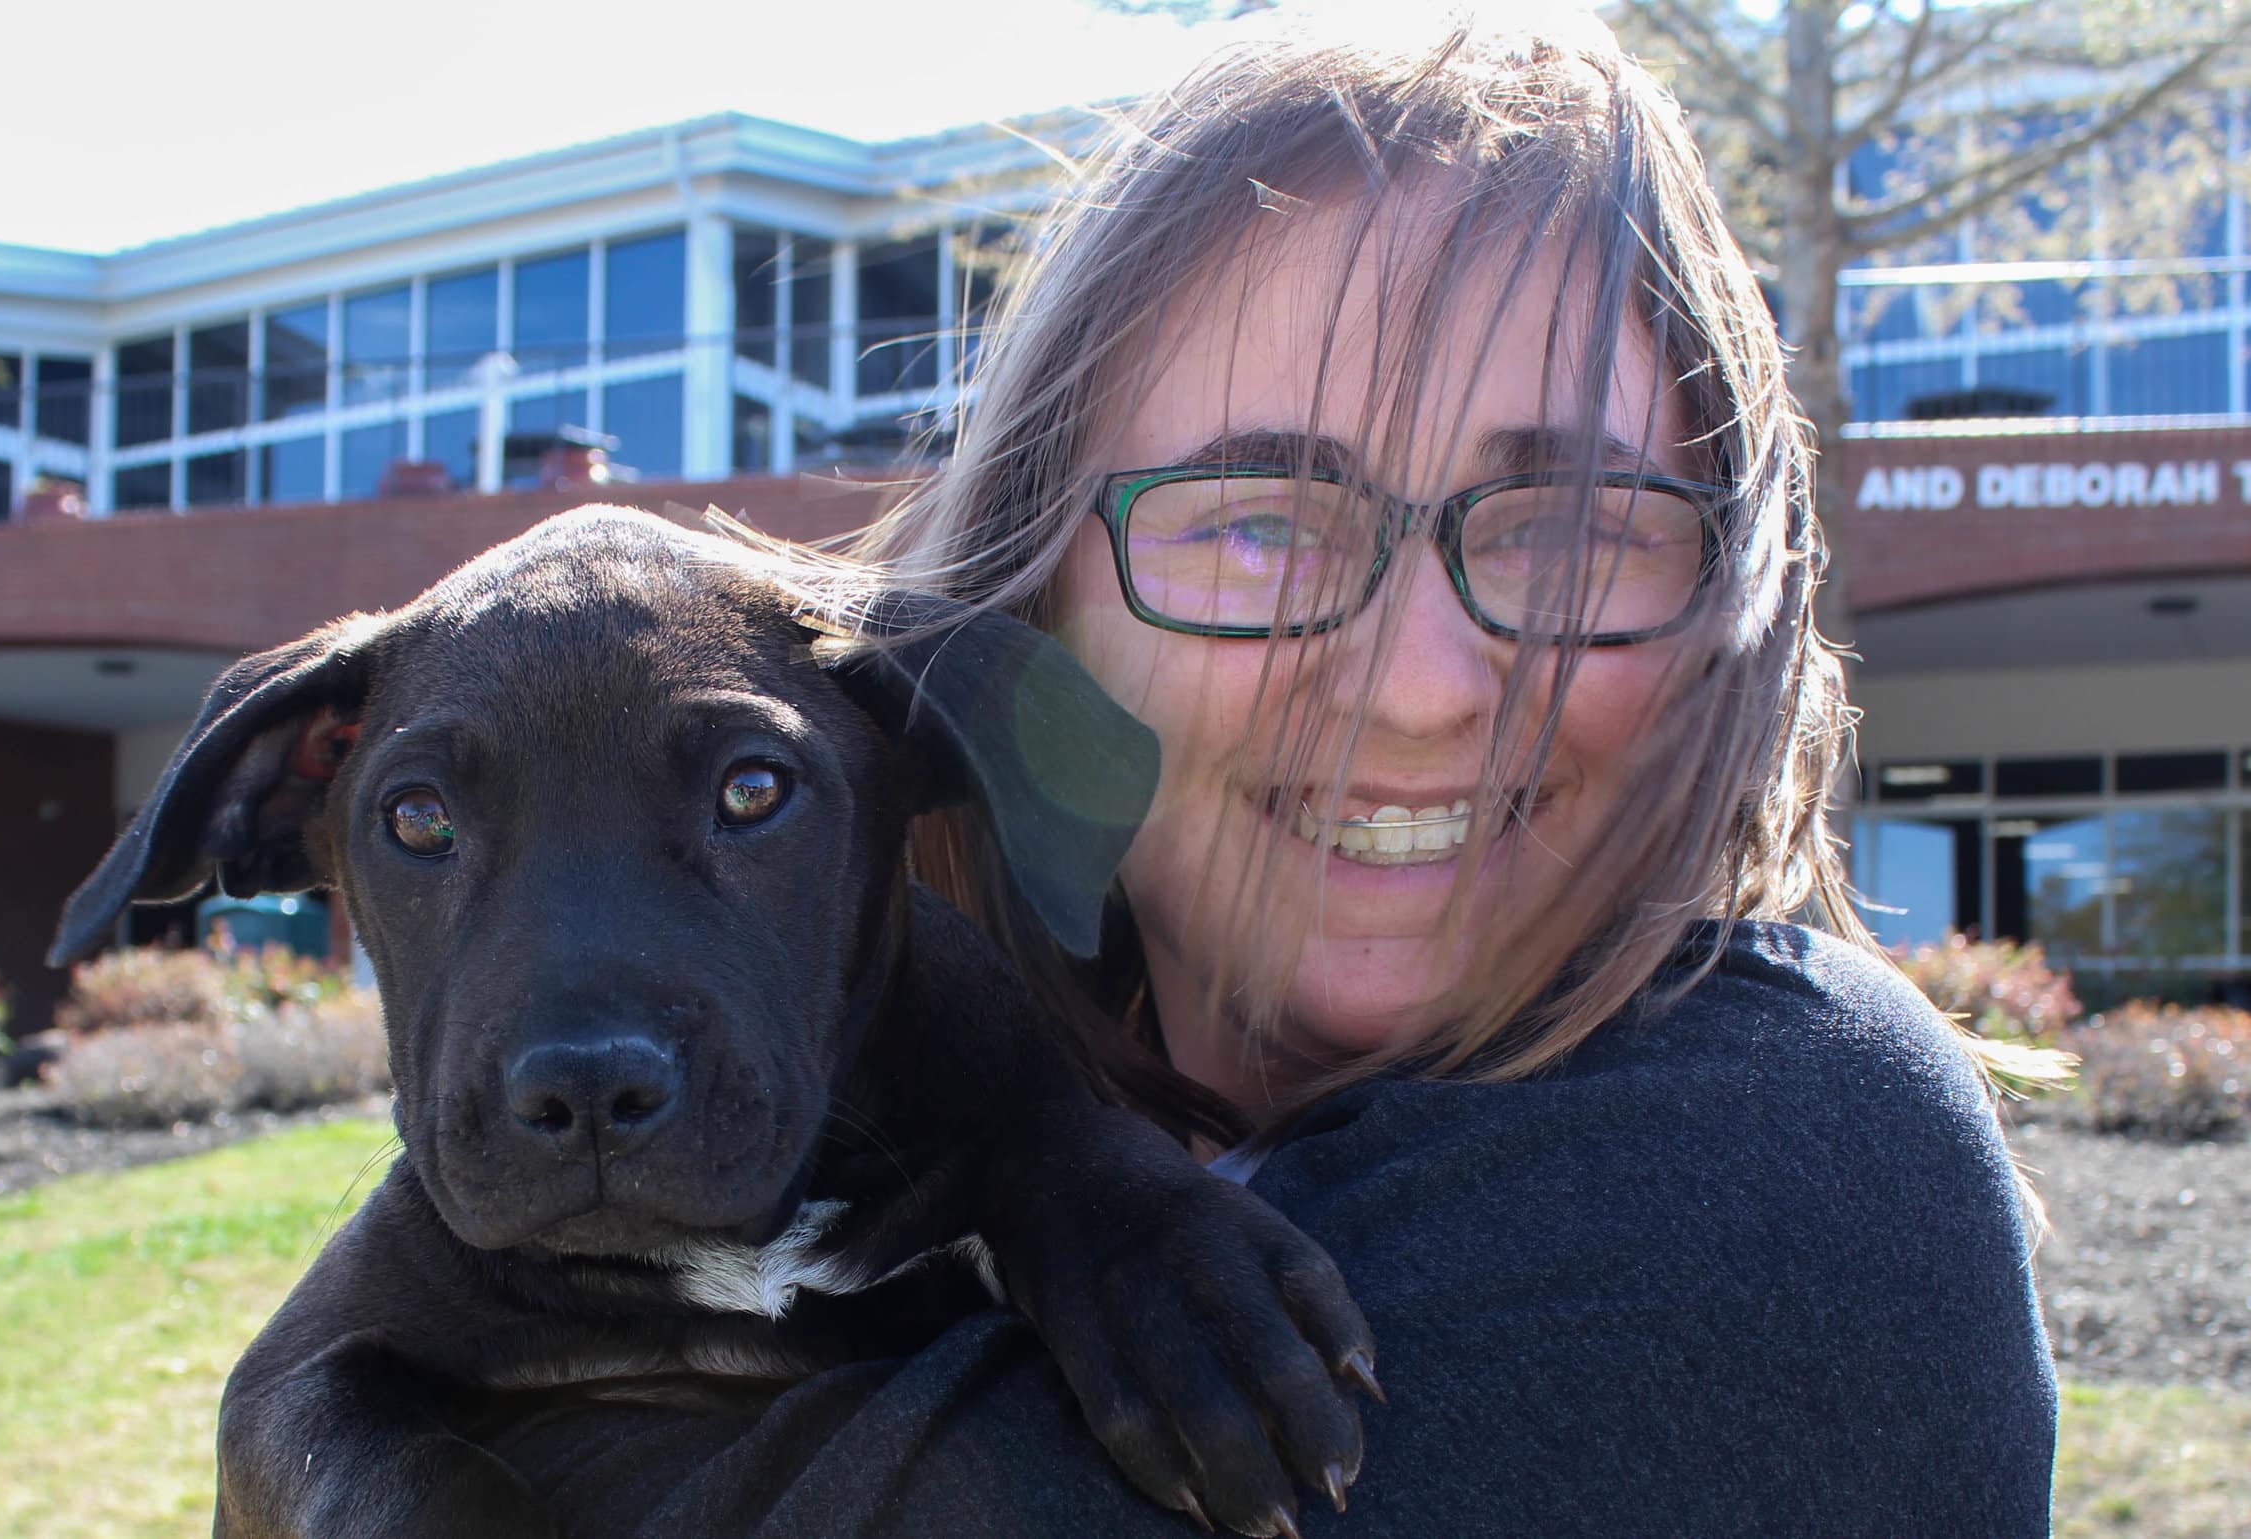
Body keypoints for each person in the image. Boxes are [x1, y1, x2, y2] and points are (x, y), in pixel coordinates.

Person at [492, 14, 2062, 1535]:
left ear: (1727, 607)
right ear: (1030, 611)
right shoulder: (901, 1156)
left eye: (1574, 526)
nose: (1426, 691)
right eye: (1255, 522)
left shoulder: (1788, 1159)